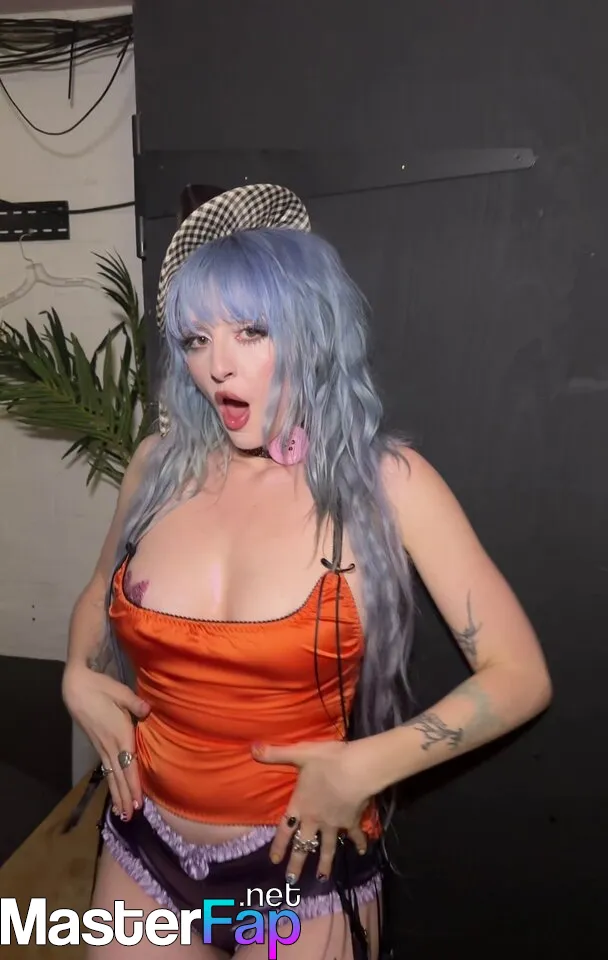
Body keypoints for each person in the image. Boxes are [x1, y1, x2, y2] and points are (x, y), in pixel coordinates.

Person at [61, 184, 553, 959]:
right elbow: (99, 592)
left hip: (302, 868)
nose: (218, 367)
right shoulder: (157, 467)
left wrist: (366, 766)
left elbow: (519, 675)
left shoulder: (387, 485)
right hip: (143, 847)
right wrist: (76, 674)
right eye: (195, 340)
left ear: (313, 331)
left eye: (251, 332)